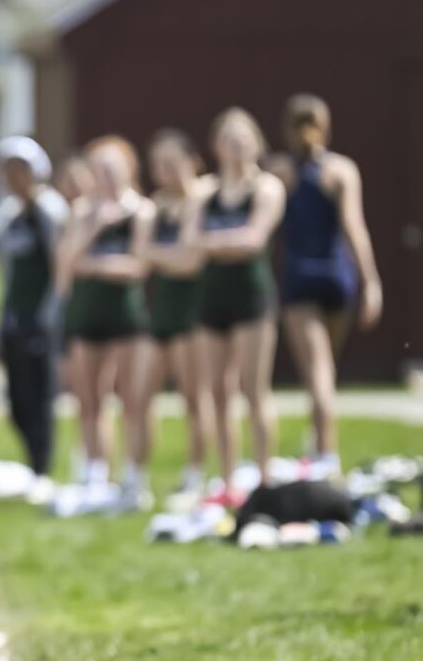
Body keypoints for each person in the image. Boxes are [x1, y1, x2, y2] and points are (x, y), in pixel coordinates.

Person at [274, 94, 381, 478]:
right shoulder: (341, 170)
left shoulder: (280, 171)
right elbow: (355, 228)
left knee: (317, 371)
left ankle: (325, 455)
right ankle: (316, 441)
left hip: (301, 278)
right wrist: (371, 281)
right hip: (338, 277)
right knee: (326, 368)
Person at [192, 108, 286, 506]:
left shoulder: (267, 187)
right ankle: (227, 481)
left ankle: (264, 480)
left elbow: (254, 239)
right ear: (216, 146)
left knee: (254, 391)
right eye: (228, 140)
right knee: (218, 392)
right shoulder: (205, 191)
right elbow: (190, 241)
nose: (236, 147)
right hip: (212, 297)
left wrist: (214, 243)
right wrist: (225, 242)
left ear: (257, 143)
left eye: (243, 139)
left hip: (251, 297)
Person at [57, 135, 155, 513]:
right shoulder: (84, 211)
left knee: (132, 399)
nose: (107, 175)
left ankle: (134, 476)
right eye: (100, 169)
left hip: (126, 316)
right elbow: (66, 264)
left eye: (114, 168)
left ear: (128, 169)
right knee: (90, 400)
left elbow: (138, 265)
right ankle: (95, 474)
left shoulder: (140, 210)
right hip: (88, 314)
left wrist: (95, 265)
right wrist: (95, 228)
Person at [0, 136, 68, 505]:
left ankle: (42, 468)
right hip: (15, 319)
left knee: (40, 398)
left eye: (18, 169)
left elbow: (59, 267)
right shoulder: (8, 216)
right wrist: (0, 325)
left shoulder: (49, 212)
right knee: (17, 400)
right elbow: (7, 276)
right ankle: (31, 464)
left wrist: (51, 315)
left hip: (42, 321)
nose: (12, 177)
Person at [142, 130, 214, 509]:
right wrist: (163, 254)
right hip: (163, 309)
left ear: (192, 161)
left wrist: (156, 253)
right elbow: (139, 254)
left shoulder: (204, 197)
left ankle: (196, 473)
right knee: (140, 396)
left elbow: (190, 261)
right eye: (158, 164)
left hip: (194, 311)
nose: (164, 171)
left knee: (193, 397)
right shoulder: (158, 204)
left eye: (171, 162)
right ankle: (135, 476)